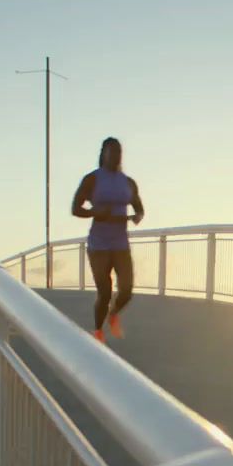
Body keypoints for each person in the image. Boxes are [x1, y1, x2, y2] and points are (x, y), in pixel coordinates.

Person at [71, 137, 145, 341]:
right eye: (112, 152)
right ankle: (97, 332)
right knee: (104, 293)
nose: (116, 156)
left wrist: (137, 216)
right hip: (99, 245)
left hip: (121, 244)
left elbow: (139, 207)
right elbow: (75, 208)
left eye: (119, 152)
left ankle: (113, 315)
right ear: (103, 154)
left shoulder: (128, 182)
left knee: (127, 291)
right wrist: (96, 212)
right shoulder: (92, 179)